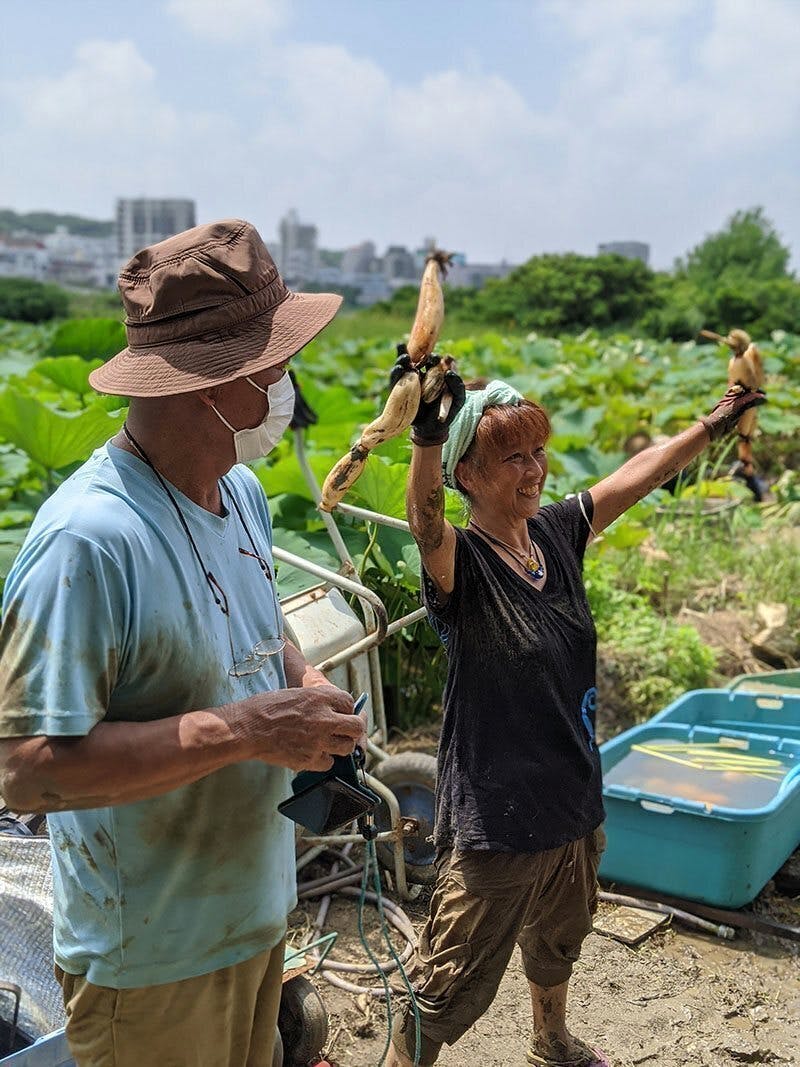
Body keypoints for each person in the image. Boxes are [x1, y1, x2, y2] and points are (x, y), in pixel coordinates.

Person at [0, 219, 366, 1067]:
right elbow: (25, 769)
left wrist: (306, 684)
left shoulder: (238, 492)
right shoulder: (87, 542)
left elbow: (260, 629)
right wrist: (244, 731)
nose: (287, 386)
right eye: (274, 368)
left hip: (254, 916)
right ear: (213, 385)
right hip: (151, 965)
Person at [385, 354, 765, 1067]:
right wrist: (425, 441)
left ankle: (551, 1040)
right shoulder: (462, 565)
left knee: (560, 936)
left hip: (572, 796)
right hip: (496, 817)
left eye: (538, 452)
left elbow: (642, 472)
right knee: (447, 983)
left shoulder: (558, 534)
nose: (534, 471)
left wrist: (718, 419)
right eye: (511, 459)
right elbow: (424, 521)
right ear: (467, 474)